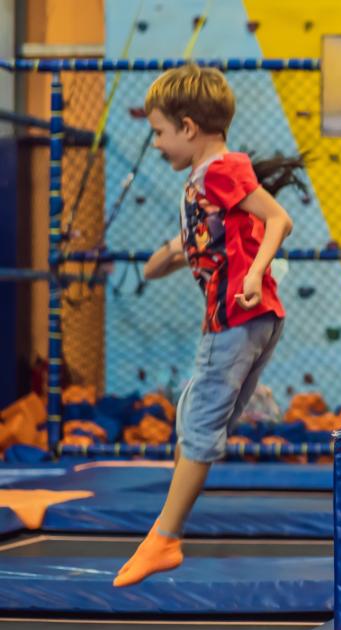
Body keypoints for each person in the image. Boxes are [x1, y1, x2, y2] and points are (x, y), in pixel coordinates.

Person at [114, 63, 296, 587]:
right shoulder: (209, 180)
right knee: (194, 414)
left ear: (188, 127)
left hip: (235, 317)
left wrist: (255, 272)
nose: (156, 144)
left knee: (197, 429)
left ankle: (163, 539)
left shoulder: (218, 170)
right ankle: (170, 525)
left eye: (159, 132)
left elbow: (279, 219)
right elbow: (204, 239)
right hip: (253, 319)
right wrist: (165, 258)